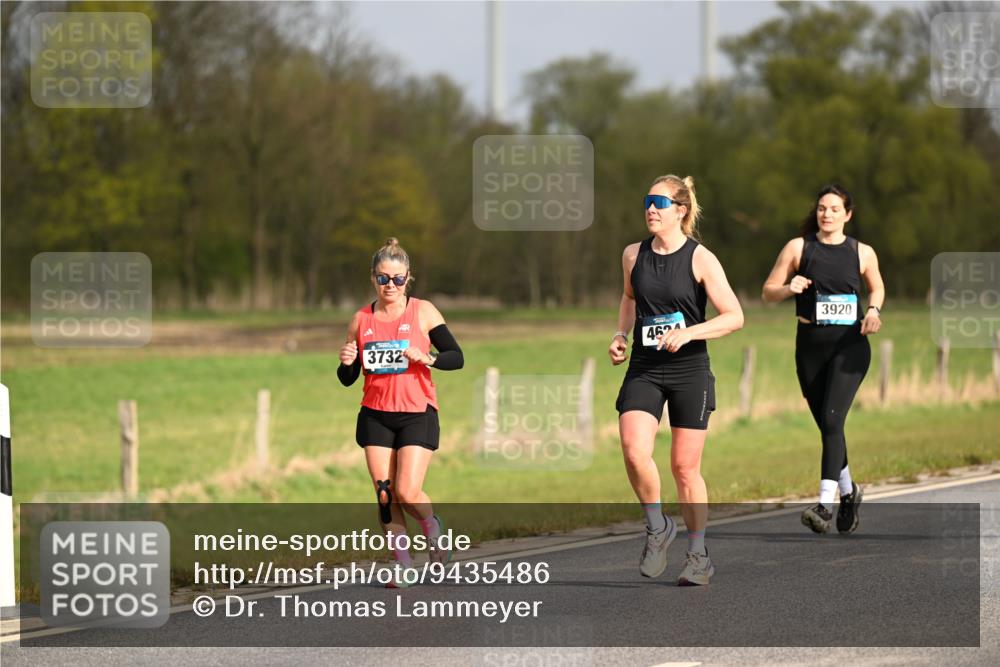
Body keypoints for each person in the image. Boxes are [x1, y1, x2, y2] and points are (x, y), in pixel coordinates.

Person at [609, 175, 744, 585]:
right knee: (634, 451)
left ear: (680, 210)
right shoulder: (633, 255)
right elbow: (630, 299)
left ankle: (698, 554)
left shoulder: (700, 258)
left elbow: (734, 316)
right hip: (646, 369)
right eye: (647, 201)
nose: (650, 208)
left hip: (690, 371)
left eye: (659, 202)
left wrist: (689, 332)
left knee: (684, 468)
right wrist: (620, 335)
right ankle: (657, 527)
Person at [337, 237, 464, 587]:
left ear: (408, 278)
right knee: (384, 493)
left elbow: (457, 356)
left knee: (408, 492)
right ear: (373, 278)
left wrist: (429, 358)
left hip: (416, 412)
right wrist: (347, 363)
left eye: (397, 279)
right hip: (375, 413)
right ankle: (404, 565)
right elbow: (348, 378)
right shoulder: (360, 320)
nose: (389, 285)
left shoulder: (423, 312)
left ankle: (433, 529)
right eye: (383, 278)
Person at [761, 184, 884, 534]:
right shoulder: (798, 248)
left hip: (850, 346)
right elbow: (767, 292)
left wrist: (873, 309)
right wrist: (789, 288)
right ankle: (849, 492)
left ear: (847, 215)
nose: (826, 214)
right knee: (829, 426)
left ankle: (825, 505)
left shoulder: (862, 252)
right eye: (821, 208)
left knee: (832, 421)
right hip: (810, 346)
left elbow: (876, 287)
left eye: (833, 209)